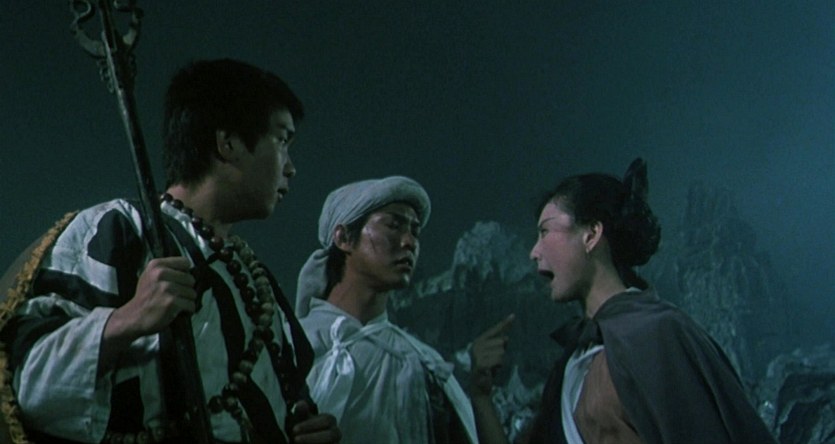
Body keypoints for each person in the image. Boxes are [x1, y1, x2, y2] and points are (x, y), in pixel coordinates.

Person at [0, 59, 340, 444]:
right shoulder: (118, 230)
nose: (290, 168)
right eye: (281, 141)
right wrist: (124, 321)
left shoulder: (252, 277)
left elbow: (288, 396)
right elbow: (22, 380)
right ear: (228, 144)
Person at [524, 158, 777, 443]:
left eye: (545, 231)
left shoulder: (658, 333)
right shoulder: (572, 361)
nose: (535, 252)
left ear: (591, 234)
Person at [295, 176, 513, 444]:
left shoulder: (423, 366)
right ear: (344, 238)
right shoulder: (291, 345)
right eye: (393, 226)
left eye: (415, 231)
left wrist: (480, 394)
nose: (409, 241)